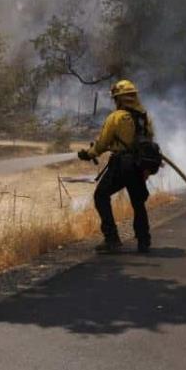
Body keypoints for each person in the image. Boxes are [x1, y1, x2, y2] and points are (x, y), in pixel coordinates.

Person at [78, 80, 154, 254]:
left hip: (122, 164)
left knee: (101, 195)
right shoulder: (145, 118)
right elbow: (149, 140)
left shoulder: (117, 117)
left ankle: (112, 239)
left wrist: (88, 154)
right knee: (138, 203)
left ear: (119, 99)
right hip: (139, 165)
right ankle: (144, 241)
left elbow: (103, 143)